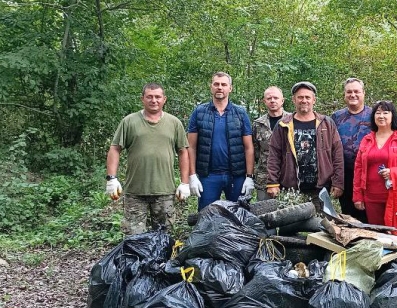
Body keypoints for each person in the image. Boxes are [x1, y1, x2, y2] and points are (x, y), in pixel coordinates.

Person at [105, 83, 190, 235]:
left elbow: (183, 152)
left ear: (164, 99)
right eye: (149, 96)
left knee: (164, 237)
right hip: (135, 192)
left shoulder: (174, 123)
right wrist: (112, 178)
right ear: (142, 99)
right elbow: (115, 148)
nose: (154, 100)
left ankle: (163, 260)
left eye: (158, 97)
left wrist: (184, 183)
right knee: (134, 239)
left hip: (164, 191)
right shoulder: (129, 121)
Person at [266, 81, 345, 209]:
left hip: (321, 188)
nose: (304, 100)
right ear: (293, 100)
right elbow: (274, 155)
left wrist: (338, 183)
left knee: (323, 226)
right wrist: (272, 182)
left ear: (314, 100)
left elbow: (337, 155)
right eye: (300, 97)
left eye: (307, 97)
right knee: (290, 227)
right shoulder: (283, 125)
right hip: (292, 189)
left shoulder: (326, 123)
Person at [187, 72, 255, 211]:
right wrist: (192, 175)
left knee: (239, 217)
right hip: (209, 176)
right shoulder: (199, 112)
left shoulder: (240, 113)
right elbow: (191, 147)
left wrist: (249, 177)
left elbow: (249, 147)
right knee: (207, 217)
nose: (220, 87)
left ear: (230, 88)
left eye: (224, 84)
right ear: (211, 87)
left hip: (236, 176)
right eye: (216, 84)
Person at [353, 100, 397, 233]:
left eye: (385, 112)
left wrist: (393, 172)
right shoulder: (367, 139)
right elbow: (358, 168)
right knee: (378, 234)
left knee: (396, 234)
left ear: (392, 116)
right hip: (371, 197)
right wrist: (357, 196)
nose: (381, 116)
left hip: (396, 196)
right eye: (378, 113)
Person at [331, 77, 372, 222]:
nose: (353, 95)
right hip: (346, 174)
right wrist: (336, 180)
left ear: (363, 93)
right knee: (349, 217)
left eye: (356, 91)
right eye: (349, 92)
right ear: (344, 95)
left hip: (369, 175)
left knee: (369, 216)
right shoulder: (336, 117)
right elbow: (330, 148)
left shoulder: (374, 116)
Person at [253, 86, 290, 200]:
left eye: (276, 98)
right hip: (264, 178)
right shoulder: (258, 124)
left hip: (288, 177)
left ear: (282, 100)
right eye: (269, 98)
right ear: (264, 101)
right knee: (264, 213)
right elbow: (255, 151)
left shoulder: (292, 121)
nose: (272, 100)